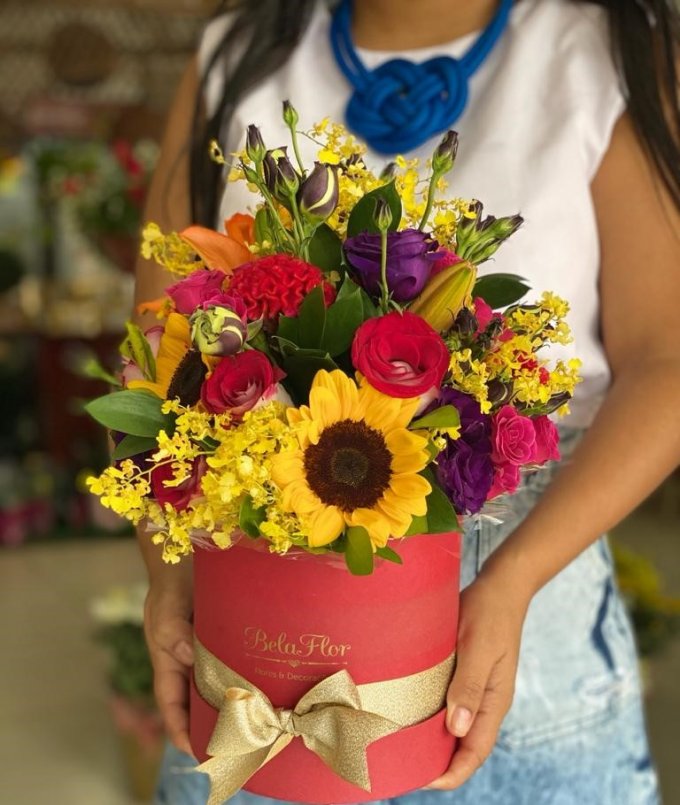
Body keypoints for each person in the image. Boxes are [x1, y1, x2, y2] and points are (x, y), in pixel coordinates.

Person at [135, 1, 680, 803]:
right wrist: (167, 564)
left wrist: (513, 578)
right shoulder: (240, 54)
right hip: (255, 656)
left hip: (522, 646)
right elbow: (156, 357)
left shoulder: (603, 50)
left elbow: (667, 361)